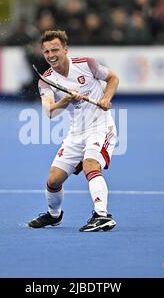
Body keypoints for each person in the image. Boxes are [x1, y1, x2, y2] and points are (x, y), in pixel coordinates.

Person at [27, 30, 119, 232]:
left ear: (65, 49)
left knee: (91, 165)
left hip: (100, 126)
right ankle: (54, 215)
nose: (51, 55)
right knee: (53, 180)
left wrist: (106, 98)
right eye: (46, 51)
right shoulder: (46, 80)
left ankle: (102, 215)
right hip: (76, 133)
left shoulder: (87, 64)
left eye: (55, 50)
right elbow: (50, 112)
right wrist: (67, 99)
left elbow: (113, 78)